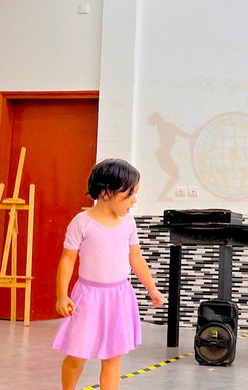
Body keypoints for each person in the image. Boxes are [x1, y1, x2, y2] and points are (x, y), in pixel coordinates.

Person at [52, 158, 165, 390]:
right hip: (88, 297)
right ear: (106, 192)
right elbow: (68, 259)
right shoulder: (81, 222)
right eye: (130, 194)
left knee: (112, 357)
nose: (134, 200)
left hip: (118, 297)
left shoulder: (128, 222)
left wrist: (151, 288)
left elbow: (136, 258)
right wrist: (62, 295)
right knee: (77, 355)